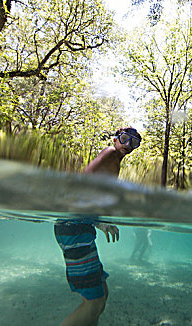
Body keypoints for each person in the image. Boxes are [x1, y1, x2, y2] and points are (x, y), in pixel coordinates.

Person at [54, 127, 142, 326]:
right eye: (125, 139)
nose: (128, 145)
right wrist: (97, 220)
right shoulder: (110, 154)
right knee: (94, 302)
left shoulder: (114, 162)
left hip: (79, 227)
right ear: (115, 139)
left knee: (102, 294)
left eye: (134, 142)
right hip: (74, 225)